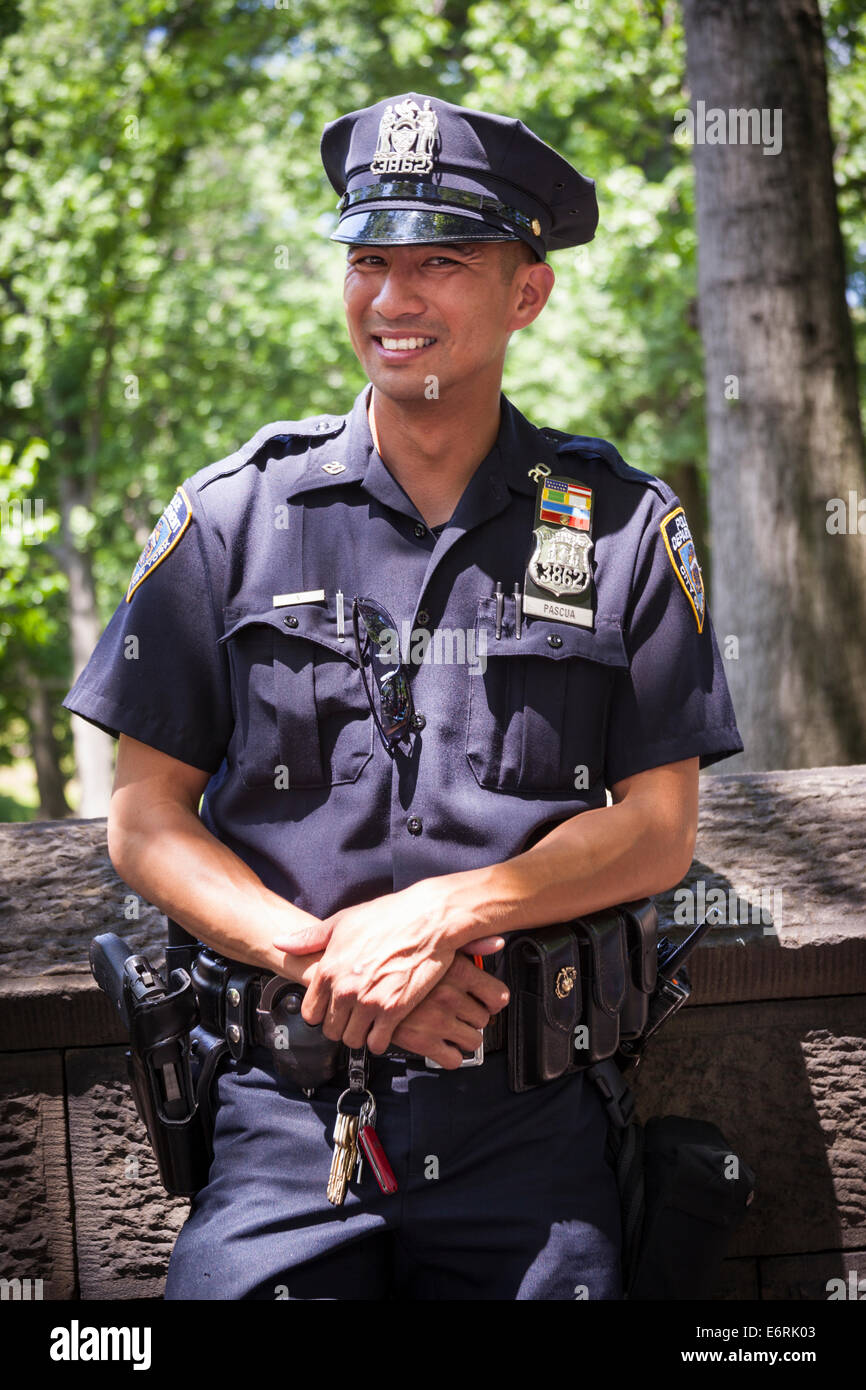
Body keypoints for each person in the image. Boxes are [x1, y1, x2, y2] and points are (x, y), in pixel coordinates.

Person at [63, 91, 743, 1300]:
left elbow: (655, 828)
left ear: (525, 293)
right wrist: (338, 962)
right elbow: (145, 820)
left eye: (439, 261)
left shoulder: (626, 529)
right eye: (369, 260)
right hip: (285, 1125)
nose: (391, 300)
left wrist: (436, 917)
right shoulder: (234, 518)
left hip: (530, 1126)